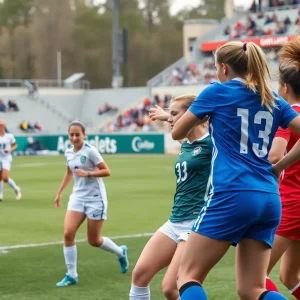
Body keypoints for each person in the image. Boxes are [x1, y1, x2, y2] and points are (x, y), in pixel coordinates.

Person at [171, 41, 300, 300]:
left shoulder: (216, 92)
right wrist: (279, 166)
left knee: (186, 276)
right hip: (268, 197)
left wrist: (206, 115)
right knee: (253, 289)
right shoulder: (271, 97)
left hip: (232, 192)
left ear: (223, 68)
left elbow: (178, 132)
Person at [129, 95, 211, 300]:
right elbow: (183, 125)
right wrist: (168, 116)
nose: (170, 119)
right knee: (140, 275)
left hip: (196, 223)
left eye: (174, 114)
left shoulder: (212, 143)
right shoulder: (186, 143)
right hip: (175, 220)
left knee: (171, 287)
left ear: (193, 115)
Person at [54, 120, 129, 287]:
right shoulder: (68, 152)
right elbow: (69, 173)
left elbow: (106, 171)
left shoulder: (90, 151)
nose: (74, 137)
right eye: (71, 135)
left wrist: (87, 173)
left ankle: (120, 252)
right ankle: (72, 275)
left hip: (95, 198)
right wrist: (59, 193)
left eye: (77, 134)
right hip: (77, 197)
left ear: (84, 135)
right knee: (67, 233)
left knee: (94, 241)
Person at [266, 38, 300, 299]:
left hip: (291, 202)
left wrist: (274, 166)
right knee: (288, 276)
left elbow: (274, 155)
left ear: (285, 87)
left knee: (255, 275)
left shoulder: (287, 116)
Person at [0, 120, 22, 201]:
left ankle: (16, 189)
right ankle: (1, 195)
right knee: (0, 177)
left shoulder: (9, 136)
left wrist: (10, 149)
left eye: (1, 126)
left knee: (5, 177)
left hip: (6, 158)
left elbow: (15, 145)